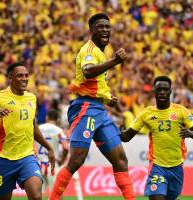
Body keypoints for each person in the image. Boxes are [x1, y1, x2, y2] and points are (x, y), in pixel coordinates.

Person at [51, 13, 135, 200]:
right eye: (100, 26)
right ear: (91, 30)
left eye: (107, 26)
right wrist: (114, 62)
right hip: (85, 109)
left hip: (99, 110)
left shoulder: (98, 52)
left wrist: (105, 98)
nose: (105, 30)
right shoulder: (89, 50)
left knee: (120, 160)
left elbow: (89, 84)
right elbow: (87, 72)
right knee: (76, 160)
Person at [0, 62, 55, 200]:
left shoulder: (31, 98)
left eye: (26, 75)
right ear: (10, 77)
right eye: (20, 76)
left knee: (36, 196)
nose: (24, 78)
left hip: (27, 156)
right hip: (4, 159)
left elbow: (32, 124)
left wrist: (48, 147)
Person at [120, 76, 193, 200]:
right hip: (157, 166)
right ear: (154, 91)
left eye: (165, 89)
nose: (162, 92)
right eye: (159, 89)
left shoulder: (181, 111)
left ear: (170, 91)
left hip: (177, 167)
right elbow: (126, 136)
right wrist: (114, 131)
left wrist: (190, 134)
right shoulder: (146, 114)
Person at [36, 109, 83, 200]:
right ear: (57, 119)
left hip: (38, 165)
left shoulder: (39, 128)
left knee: (37, 194)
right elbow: (66, 147)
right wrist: (61, 159)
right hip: (52, 166)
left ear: (47, 117)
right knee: (56, 194)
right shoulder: (58, 131)